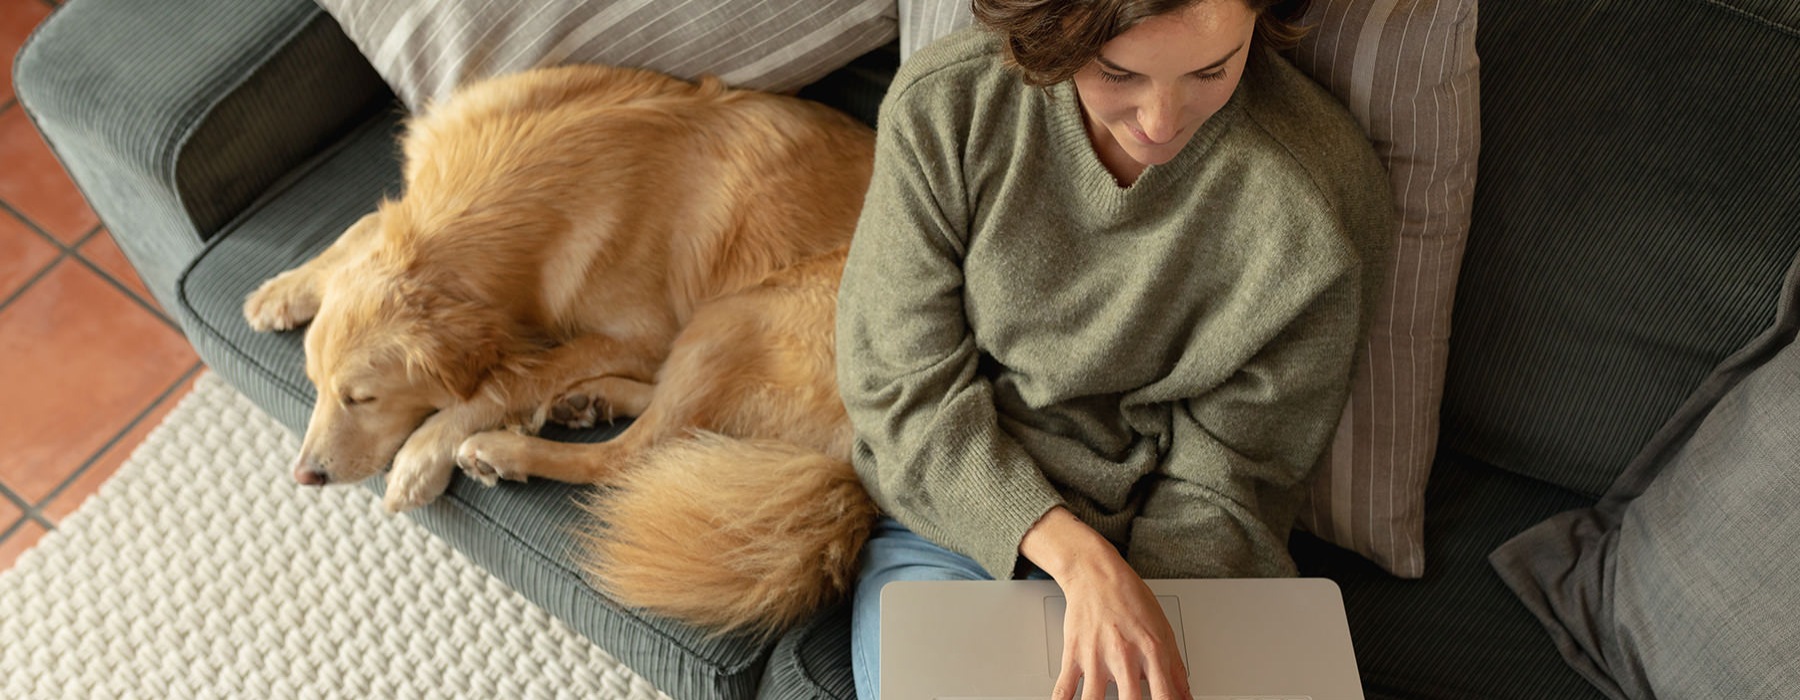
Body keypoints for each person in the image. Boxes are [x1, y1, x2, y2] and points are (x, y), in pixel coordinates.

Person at [834, 0, 1395, 697]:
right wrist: (1078, 561)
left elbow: (1235, 472)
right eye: (1118, 72)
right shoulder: (947, 110)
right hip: (955, 525)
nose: (1162, 123)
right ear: (1051, 30)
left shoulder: (1320, 205)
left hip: (1186, 555)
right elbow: (900, 390)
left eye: (1211, 69)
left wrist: (1143, 615)